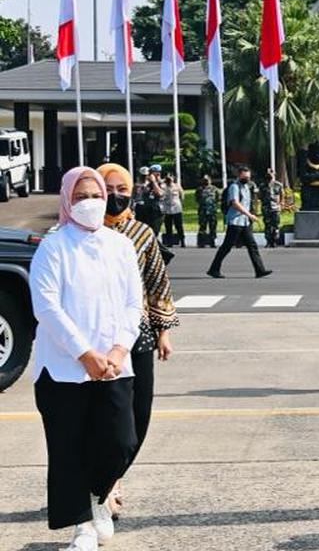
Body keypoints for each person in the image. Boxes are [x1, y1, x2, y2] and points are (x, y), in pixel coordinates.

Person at [29, 167, 143, 551]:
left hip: (115, 365)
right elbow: (46, 307)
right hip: (63, 367)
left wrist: (116, 350)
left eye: (96, 195)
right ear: (66, 200)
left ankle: (99, 498)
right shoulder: (54, 246)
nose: (90, 203)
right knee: (69, 447)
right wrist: (85, 354)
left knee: (120, 441)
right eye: (80, 197)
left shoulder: (120, 246)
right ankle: (82, 526)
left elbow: (133, 304)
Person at [97, 162, 179, 517]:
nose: (115, 196)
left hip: (139, 333)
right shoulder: (82, 232)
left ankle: (115, 474)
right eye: (107, 188)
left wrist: (163, 331)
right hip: (97, 336)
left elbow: (157, 282)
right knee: (104, 416)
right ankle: (107, 485)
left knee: (138, 414)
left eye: (122, 188)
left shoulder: (142, 234)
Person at [207, 165, 272, 279]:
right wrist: (249, 215)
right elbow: (235, 203)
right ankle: (214, 269)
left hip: (244, 222)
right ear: (239, 175)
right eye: (245, 177)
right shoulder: (234, 187)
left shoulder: (247, 187)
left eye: (248, 177)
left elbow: (248, 203)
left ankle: (260, 270)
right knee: (227, 247)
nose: (247, 179)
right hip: (235, 221)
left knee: (252, 246)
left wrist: (250, 214)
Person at [261, 168, 284, 248]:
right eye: (268, 173)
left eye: (271, 173)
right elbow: (260, 196)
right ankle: (268, 241)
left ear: (274, 174)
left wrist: (281, 205)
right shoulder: (262, 185)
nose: (269, 175)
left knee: (276, 225)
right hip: (266, 208)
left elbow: (282, 196)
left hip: (275, 208)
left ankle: (274, 241)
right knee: (267, 225)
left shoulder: (278, 185)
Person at [159, 173, 184, 247]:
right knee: (168, 227)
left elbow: (182, 196)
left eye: (171, 177)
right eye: (168, 177)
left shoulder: (177, 186)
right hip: (167, 210)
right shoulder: (163, 187)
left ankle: (182, 241)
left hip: (176, 209)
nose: (169, 179)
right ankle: (170, 242)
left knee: (179, 226)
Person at [196, 176, 219, 248]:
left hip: (212, 211)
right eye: (205, 180)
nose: (206, 181)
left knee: (213, 227)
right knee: (202, 227)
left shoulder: (214, 189)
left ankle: (212, 242)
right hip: (203, 211)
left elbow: (218, 198)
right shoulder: (199, 189)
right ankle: (201, 242)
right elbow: (197, 199)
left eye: (207, 180)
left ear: (210, 180)